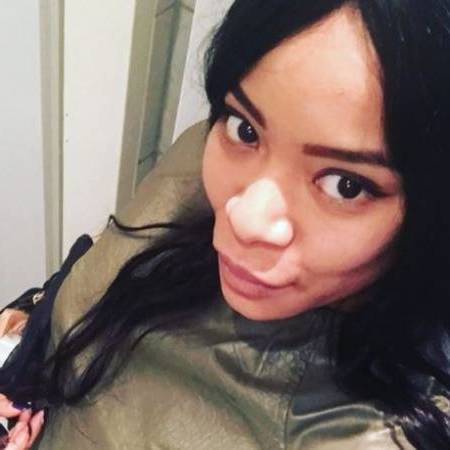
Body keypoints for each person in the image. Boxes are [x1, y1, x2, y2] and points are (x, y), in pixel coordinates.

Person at [1, 0, 450, 448]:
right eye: (245, 129)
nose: (245, 217)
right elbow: (86, 279)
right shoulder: (197, 155)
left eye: (345, 186)